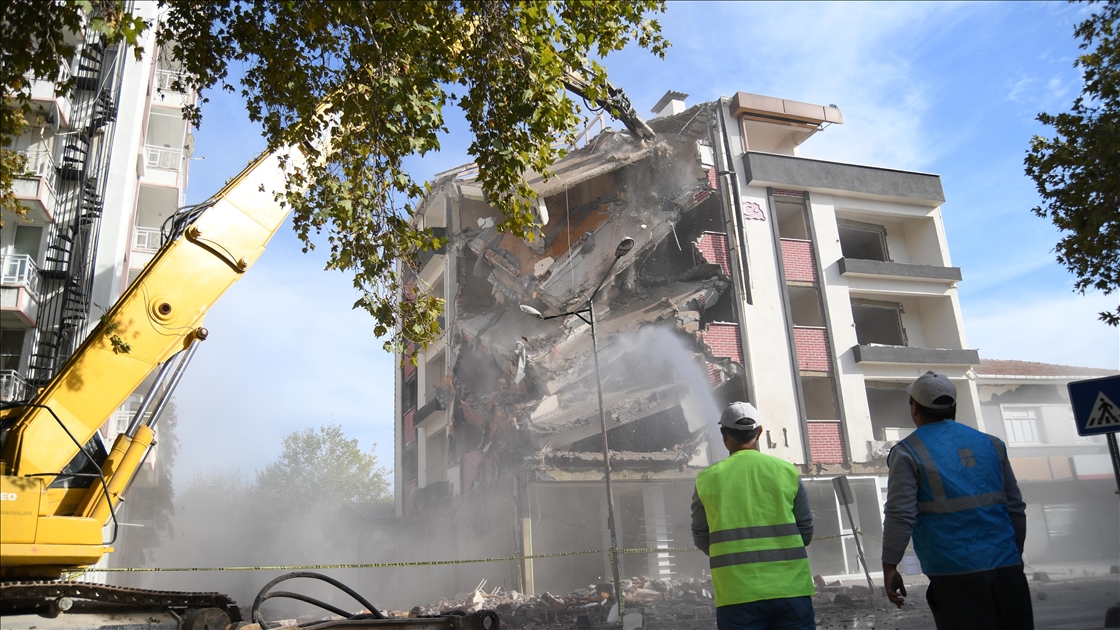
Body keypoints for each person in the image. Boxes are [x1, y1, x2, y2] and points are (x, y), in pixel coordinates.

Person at [882, 371, 1032, 629]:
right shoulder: (991, 444)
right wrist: (1012, 555)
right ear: (953, 407)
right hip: (1007, 569)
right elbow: (1015, 508)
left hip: (955, 576)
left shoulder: (908, 452)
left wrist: (890, 567)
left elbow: (900, 514)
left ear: (914, 408)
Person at [691, 402, 815, 630]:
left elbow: (701, 537)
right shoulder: (787, 472)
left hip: (736, 595)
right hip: (792, 590)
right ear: (759, 432)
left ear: (723, 434)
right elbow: (805, 531)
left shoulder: (707, 480)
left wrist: (729, 555)